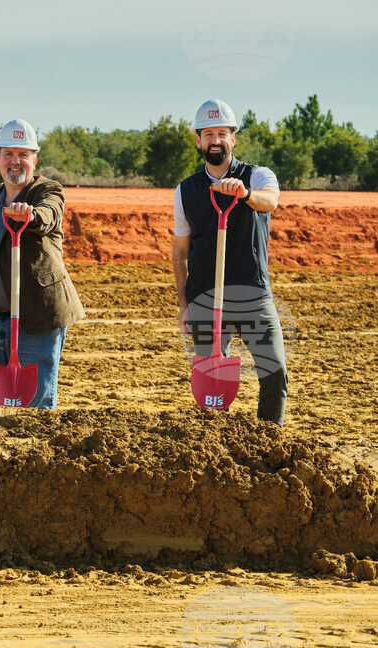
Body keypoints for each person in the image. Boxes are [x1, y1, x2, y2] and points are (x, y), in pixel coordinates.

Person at [0, 119, 84, 409]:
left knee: (35, 405)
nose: (16, 161)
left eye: (23, 154)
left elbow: (50, 213)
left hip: (35, 317)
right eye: (9, 154)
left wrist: (32, 216)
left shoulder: (46, 191)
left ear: (34, 160)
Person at [172, 99, 287, 426]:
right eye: (208, 134)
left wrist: (246, 194)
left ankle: (268, 442)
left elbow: (271, 202)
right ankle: (210, 447)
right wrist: (183, 303)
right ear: (199, 140)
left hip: (253, 294)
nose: (216, 140)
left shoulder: (258, 176)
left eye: (222, 133)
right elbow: (180, 251)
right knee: (211, 384)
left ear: (233, 138)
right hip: (205, 298)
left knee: (275, 371)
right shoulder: (186, 191)